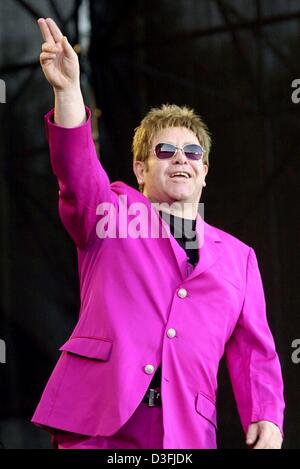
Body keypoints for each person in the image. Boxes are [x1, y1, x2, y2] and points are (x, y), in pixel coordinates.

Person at [32, 17, 285, 449]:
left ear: (204, 171)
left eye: (193, 152)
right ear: (140, 169)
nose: (180, 159)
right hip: (100, 422)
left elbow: (255, 351)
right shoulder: (111, 212)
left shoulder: (239, 257)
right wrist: (68, 91)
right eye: (165, 151)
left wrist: (267, 416)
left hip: (182, 432)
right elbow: (76, 173)